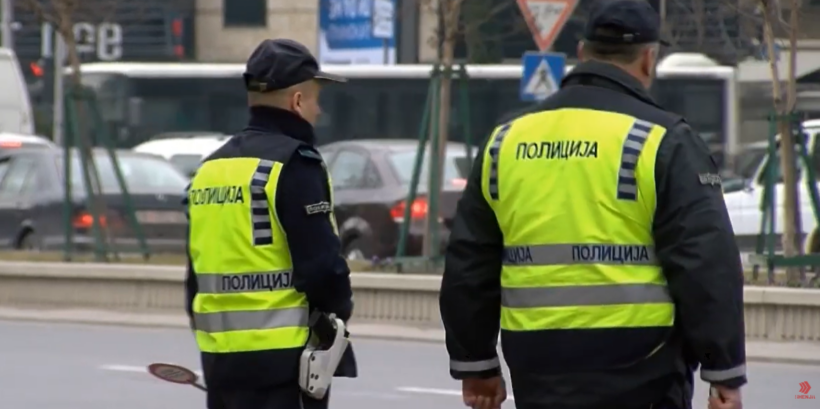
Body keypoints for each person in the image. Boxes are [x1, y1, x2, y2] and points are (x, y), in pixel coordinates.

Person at [438, 1, 747, 409]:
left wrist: (476, 363)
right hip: (642, 366)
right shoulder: (662, 140)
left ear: (581, 53)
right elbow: (706, 262)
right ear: (649, 59)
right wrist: (723, 371)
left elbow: (468, 263)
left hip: (537, 364)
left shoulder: (505, 141)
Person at [183, 38, 357, 409]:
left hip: (219, 362)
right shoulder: (294, 164)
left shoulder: (208, 170)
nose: (319, 110)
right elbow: (324, 267)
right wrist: (337, 320)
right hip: (286, 363)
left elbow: (194, 275)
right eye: (314, 99)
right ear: (297, 102)